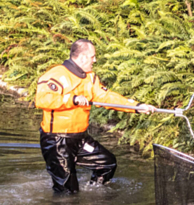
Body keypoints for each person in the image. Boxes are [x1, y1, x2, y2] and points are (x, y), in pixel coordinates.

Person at [34, 39, 155, 193]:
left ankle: (94, 195)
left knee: (107, 163)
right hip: (57, 140)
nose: (95, 60)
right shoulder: (56, 75)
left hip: (80, 138)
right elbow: (43, 99)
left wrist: (137, 107)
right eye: (93, 57)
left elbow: (106, 97)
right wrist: (73, 99)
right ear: (82, 57)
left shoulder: (90, 78)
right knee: (67, 190)